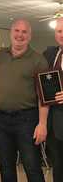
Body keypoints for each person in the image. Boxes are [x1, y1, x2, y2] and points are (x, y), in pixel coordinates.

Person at [0, 19, 48, 182]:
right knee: (5, 167)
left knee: (32, 167)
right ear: (10, 33)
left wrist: (42, 124)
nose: (20, 35)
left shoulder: (39, 60)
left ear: (30, 36)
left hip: (27, 121)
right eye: (17, 31)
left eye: (24, 32)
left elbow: (44, 96)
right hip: (1, 120)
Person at [43, 17, 63, 182]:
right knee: (58, 168)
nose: (62, 34)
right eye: (59, 31)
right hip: (54, 125)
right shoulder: (50, 53)